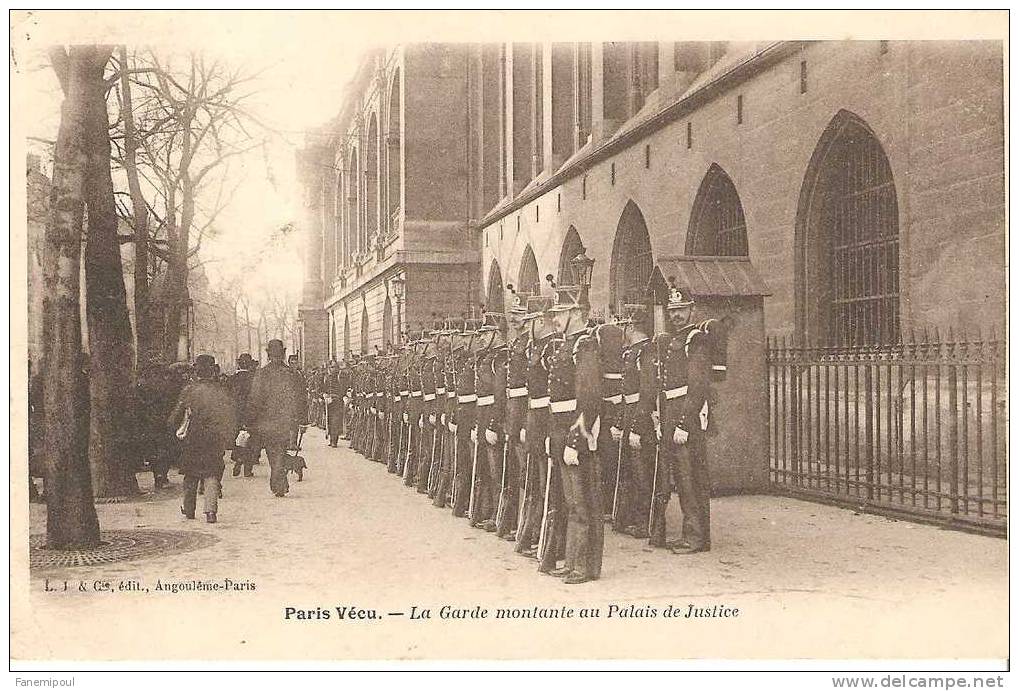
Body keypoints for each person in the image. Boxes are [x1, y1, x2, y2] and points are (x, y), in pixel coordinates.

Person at [651, 283, 716, 554]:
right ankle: (691, 534)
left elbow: (698, 386)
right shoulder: (674, 339)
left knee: (691, 479)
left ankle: (696, 537)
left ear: (692, 310)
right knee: (680, 477)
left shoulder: (696, 340)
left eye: (681, 310)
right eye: (672, 310)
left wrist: (683, 424)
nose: (676, 315)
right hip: (670, 414)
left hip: (685, 417)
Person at [168, 354, 236, 523]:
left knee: (191, 473)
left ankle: (189, 509)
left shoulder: (189, 390)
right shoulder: (221, 390)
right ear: (213, 370)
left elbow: (176, 415)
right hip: (214, 437)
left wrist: (173, 426)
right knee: (212, 473)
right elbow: (230, 415)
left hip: (193, 437)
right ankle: (211, 511)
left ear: (196, 370)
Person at [245, 340, 305, 498]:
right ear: (284, 352)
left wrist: (250, 421)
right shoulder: (292, 374)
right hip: (286, 421)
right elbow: (300, 398)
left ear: (267, 353)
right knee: (281, 449)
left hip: (267, 421)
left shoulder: (262, 374)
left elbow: (255, 399)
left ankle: (278, 480)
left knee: (273, 452)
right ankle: (280, 479)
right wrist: (303, 420)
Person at [229, 353, 258, 477]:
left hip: (236, 412)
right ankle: (248, 468)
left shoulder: (232, 378)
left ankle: (238, 457)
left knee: (237, 437)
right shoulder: (254, 378)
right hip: (251, 412)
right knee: (251, 438)